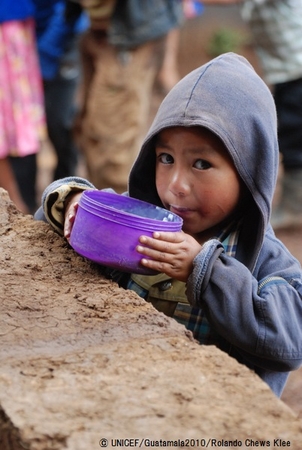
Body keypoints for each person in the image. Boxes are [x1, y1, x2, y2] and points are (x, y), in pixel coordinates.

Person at [35, 53, 302, 397]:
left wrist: (204, 271)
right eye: (166, 158)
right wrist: (72, 203)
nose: (176, 183)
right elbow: (46, 226)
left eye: (201, 163)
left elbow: (289, 343)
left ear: (250, 170)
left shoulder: (265, 260)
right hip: (124, 396)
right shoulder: (139, 220)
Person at [73, 0, 183, 193]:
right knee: (89, 131)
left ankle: (118, 212)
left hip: (128, 38)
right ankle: (102, 204)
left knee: (113, 146)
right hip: (102, 32)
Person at [33, 0, 89, 181]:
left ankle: (66, 183)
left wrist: (42, 58)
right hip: (25, 44)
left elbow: (68, 12)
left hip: (62, 42)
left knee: (60, 124)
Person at [0, 0, 47, 214]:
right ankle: (19, 204)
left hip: (13, 24)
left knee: (19, 123)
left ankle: (22, 205)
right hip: (15, 22)